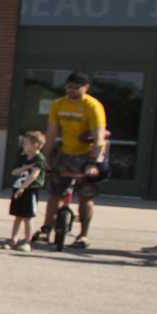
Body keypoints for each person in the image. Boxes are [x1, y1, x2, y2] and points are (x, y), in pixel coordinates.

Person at [44, 71, 108, 251]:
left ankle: (83, 235)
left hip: (88, 154)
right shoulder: (58, 105)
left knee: (85, 194)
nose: (70, 90)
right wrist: (46, 158)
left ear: (86, 88)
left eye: (75, 87)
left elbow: (99, 137)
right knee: (55, 192)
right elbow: (51, 134)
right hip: (66, 153)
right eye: (68, 87)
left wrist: (93, 163)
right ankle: (46, 229)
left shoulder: (93, 106)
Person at [7, 130, 47, 250]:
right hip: (18, 188)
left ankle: (27, 241)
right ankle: (13, 239)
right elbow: (14, 171)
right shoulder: (22, 157)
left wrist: (23, 188)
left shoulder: (39, 158)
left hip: (30, 190)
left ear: (36, 145)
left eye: (26, 143)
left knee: (28, 217)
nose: (24, 145)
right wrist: (25, 167)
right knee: (18, 216)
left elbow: (34, 175)